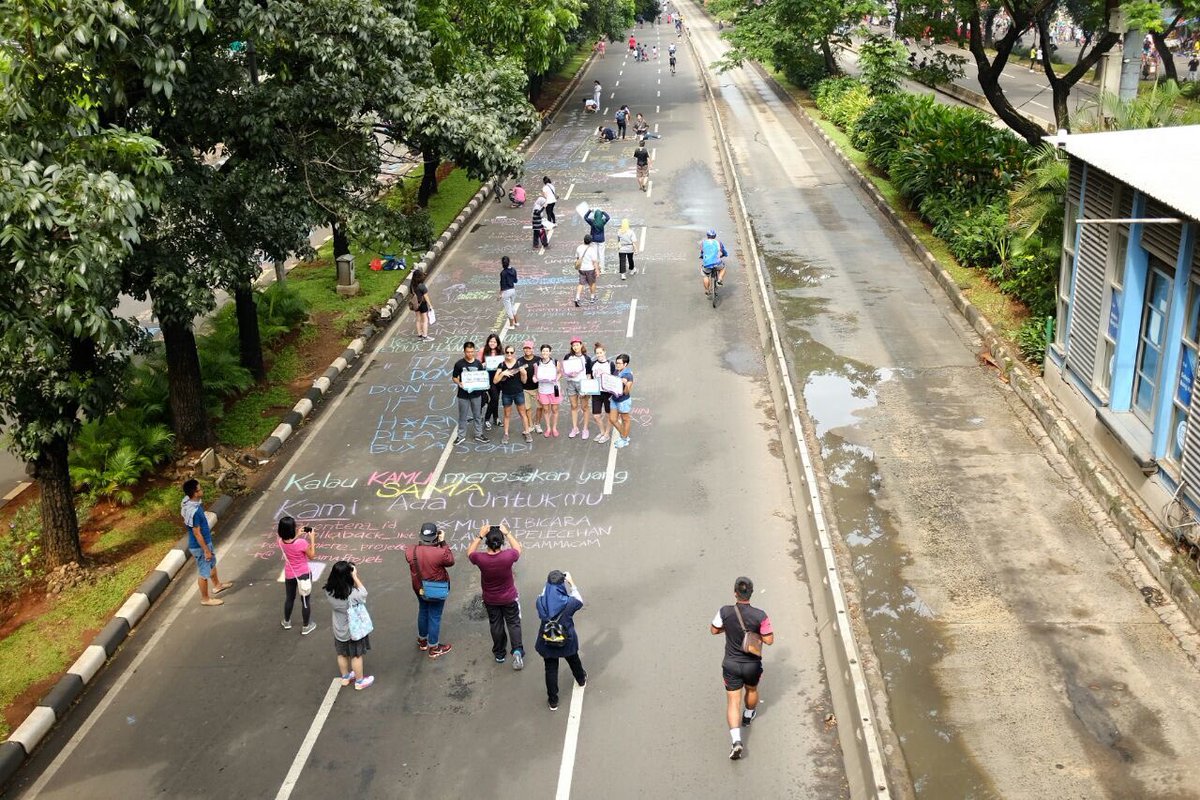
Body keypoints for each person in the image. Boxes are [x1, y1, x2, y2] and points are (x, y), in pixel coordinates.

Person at [710, 577, 774, 759]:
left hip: (731, 664)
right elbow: (769, 640)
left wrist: (729, 629)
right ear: (751, 593)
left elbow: (714, 630)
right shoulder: (760, 615)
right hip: (752, 665)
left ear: (735, 593)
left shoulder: (724, 611)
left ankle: (736, 741)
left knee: (733, 702)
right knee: (752, 689)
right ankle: (748, 714)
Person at [468, 524, 525, 668]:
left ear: (487, 542)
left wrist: (480, 535)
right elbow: (518, 549)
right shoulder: (508, 556)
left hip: (491, 599)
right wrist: (507, 533)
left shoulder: (480, 559)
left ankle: (499, 654)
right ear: (501, 543)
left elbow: (470, 552)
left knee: (496, 624)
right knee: (513, 623)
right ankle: (517, 651)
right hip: (509, 597)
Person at [535, 570, 587, 712]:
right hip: (566, 641)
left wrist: (548, 584)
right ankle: (581, 679)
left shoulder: (540, 602)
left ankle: (553, 701)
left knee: (550, 670)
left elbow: (543, 593)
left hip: (547, 641)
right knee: (573, 660)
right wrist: (571, 582)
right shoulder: (569, 603)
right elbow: (580, 600)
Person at [405, 522, 456, 659]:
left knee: (423, 610)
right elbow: (450, 561)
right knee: (434, 616)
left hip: (419, 587)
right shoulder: (440, 553)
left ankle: (422, 640)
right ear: (435, 536)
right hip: (436, 590)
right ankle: (434, 647)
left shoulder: (410, 550)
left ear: (420, 535)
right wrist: (443, 542)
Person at [181, 479, 232, 607]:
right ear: (195, 493)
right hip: (200, 546)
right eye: (200, 489)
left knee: (211, 564)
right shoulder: (194, 512)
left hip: (205, 542)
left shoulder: (189, 501)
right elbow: (196, 533)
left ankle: (217, 585)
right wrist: (206, 550)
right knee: (204, 573)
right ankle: (205, 599)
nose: (202, 490)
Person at [324, 561, 374, 689]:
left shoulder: (329, 590)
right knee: (356, 655)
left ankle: (345, 678)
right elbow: (364, 593)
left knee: (342, 654)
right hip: (353, 630)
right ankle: (359, 682)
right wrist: (355, 577)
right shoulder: (352, 594)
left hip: (339, 629)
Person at [278, 516, 316, 634]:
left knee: (289, 598)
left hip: (290, 574)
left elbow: (290, 543)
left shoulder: (280, 541)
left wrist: (297, 535)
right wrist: (312, 539)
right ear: (292, 529)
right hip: (303, 574)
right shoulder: (302, 543)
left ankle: (287, 621)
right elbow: (312, 556)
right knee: (305, 600)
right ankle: (306, 626)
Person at [494, 344, 534, 444]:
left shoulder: (519, 364)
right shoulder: (501, 365)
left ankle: (527, 432)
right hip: (506, 394)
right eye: (507, 352)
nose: (509, 354)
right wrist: (502, 374)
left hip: (518, 392)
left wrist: (524, 374)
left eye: (511, 352)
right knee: (507, 415)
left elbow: (524, 381)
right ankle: (506, 434)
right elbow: (495, 381)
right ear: (505, 353)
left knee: (523, 413)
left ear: (514, 353)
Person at [452, 340, 489, 445]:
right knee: (462, 416)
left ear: (474, 351)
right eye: (468, 352)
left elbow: (482, 377)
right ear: (464, 351)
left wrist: (485, 386)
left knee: (477, 415)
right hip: (463, 395)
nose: (470, 354)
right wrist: (459, 383)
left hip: (476, 394)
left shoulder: (478, 363)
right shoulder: (459, 364)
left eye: (472, 351)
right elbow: (454, 377)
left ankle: (479, 434)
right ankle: (461, 436)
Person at [562, 337, 592, 439]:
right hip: (571, 383)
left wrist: (586, 388)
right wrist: (569, 375)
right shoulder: (568, 357)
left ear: (581, 345)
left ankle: (585, 429)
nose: (575, 347)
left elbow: (589, 374)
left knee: (584, 407)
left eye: (577, 345)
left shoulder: (587, 358)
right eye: (573, 345)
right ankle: (575, 428)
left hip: (582, 384)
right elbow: (564, 371)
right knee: (574, 406)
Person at [589, 343, 615, 443]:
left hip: (607, 393)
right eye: (597, 353)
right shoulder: (593, 364)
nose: (599, 355)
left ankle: (607, 434)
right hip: (596, 392)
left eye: (601, 352)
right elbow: (590, 377)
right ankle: (602, 432)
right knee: (596, 416)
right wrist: (586, 389)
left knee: (608, 414)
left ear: (604, 352)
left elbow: (614, 378)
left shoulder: (610, 364)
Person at [535, 344, 563, 437]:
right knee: (546, 409)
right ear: (541, 352)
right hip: (543, 390)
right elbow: (535, 375)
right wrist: (534, 379)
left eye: (547, 351)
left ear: (550, 352)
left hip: (554, 389)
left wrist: (556, 379)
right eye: (543, 351)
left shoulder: (555, 362)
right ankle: (548, 428)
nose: (545, 353)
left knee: (555, 409)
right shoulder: (537, 364)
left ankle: (554, 428)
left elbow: (560, 373)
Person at [518, 340, 543, 433]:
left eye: (529, 348)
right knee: (527, 408)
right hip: (525, 389)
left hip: (537, 388)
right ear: (523, 349)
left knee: (540, 407)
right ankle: (530, 425)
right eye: (525, 348)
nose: (527, 350)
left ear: (533, 349)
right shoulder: (520, 361)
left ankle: (537, 424)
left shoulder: (539, 360)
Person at [609, 354, 634, 448]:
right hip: (614, 399)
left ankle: (624, 439)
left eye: (619, 363)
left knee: (625, 419)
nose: (617, 365)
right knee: (612, 419)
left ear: (625, 364)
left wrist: (625, 384)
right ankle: (624, 435)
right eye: (617, 363)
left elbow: (626, 392)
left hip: (623, 401)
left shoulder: (628, 375)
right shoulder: (616, 371)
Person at [481, 333, 504, 430]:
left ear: (497, 343)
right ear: (488, 342)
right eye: (491, 341)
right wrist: (483, 364)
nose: (492, 343)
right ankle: (487, 419)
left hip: (498, 377)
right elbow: (477, 364)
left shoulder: (500, 352)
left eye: (494, 342)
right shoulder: (483, 350)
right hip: (488, 378)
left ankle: (496, 418)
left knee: (496, 398)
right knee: (494, 398)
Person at [574, 233, 601, 307]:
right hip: (590, 269)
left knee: (581, 283)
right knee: (592, 283)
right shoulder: (592, 250)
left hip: (581, 269)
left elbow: (577, 258)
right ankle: (592, 297)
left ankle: (577, 298)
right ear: (590, 242)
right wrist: (597, 270)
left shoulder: (579, 247)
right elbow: (594, 261)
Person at [700, 228, 729, 295]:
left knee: (705, 275)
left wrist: (702, 256)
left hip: (707, 264)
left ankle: (707, 290)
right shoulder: (718, 242)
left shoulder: (703, 243)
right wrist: (725, 254)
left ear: (707, 236)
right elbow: (723, 250)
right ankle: (719, 279)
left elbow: (702, 252)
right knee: (723, 268)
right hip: (717, 263)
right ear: (715, 236)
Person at [409, 268, 434, 341]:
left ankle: (419, 334)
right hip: (422, 304)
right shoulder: (422, 286)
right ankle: (425, 336)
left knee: (418, 319)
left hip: (416, 304)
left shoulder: (412, 285)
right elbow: (426, 296)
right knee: (425, 319)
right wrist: (430, 305)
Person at [499, 255, 519, 329]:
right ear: (509, 262)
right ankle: (516, 322)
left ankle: (511, 325)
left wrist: (500, 294)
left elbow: (502, 285)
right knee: (512, 306)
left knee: (508, 308)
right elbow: (515, 281)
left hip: (506, 292)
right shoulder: (513, 270)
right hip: (513, 290)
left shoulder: (503, 273)